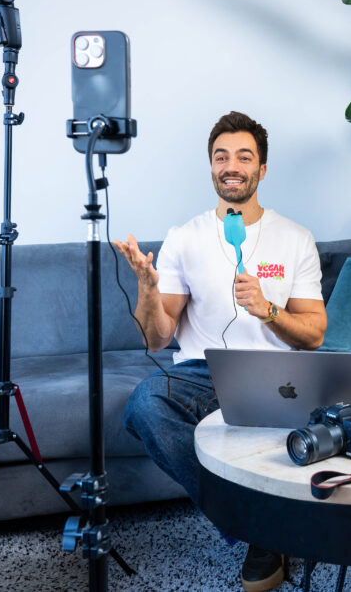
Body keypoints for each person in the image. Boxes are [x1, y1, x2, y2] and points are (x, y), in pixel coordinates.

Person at [114, 111, 326, 592]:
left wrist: (269, 310)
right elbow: (157, 338)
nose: (232, 165)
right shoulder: (183, 238)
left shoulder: (294, 238)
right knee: (145, 403)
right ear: (211, 167)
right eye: (221, 156)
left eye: (244, 157)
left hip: (278, 375)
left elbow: (313, 335)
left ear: (262, 170)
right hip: (201, 374)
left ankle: (264, 528)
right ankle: (259, 530)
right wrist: (148, 288)